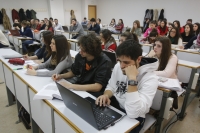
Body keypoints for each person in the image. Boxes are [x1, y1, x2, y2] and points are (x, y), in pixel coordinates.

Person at [95, 39, 158, 133]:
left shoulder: (150, 78)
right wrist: (106, 95)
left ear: (139, 59)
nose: (121, 66)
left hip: (135, 117)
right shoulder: (118, 66)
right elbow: (111, 86)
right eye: (119, 61)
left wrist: (132, 79)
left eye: (126, 62)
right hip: (115, 107)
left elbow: (134, 113)